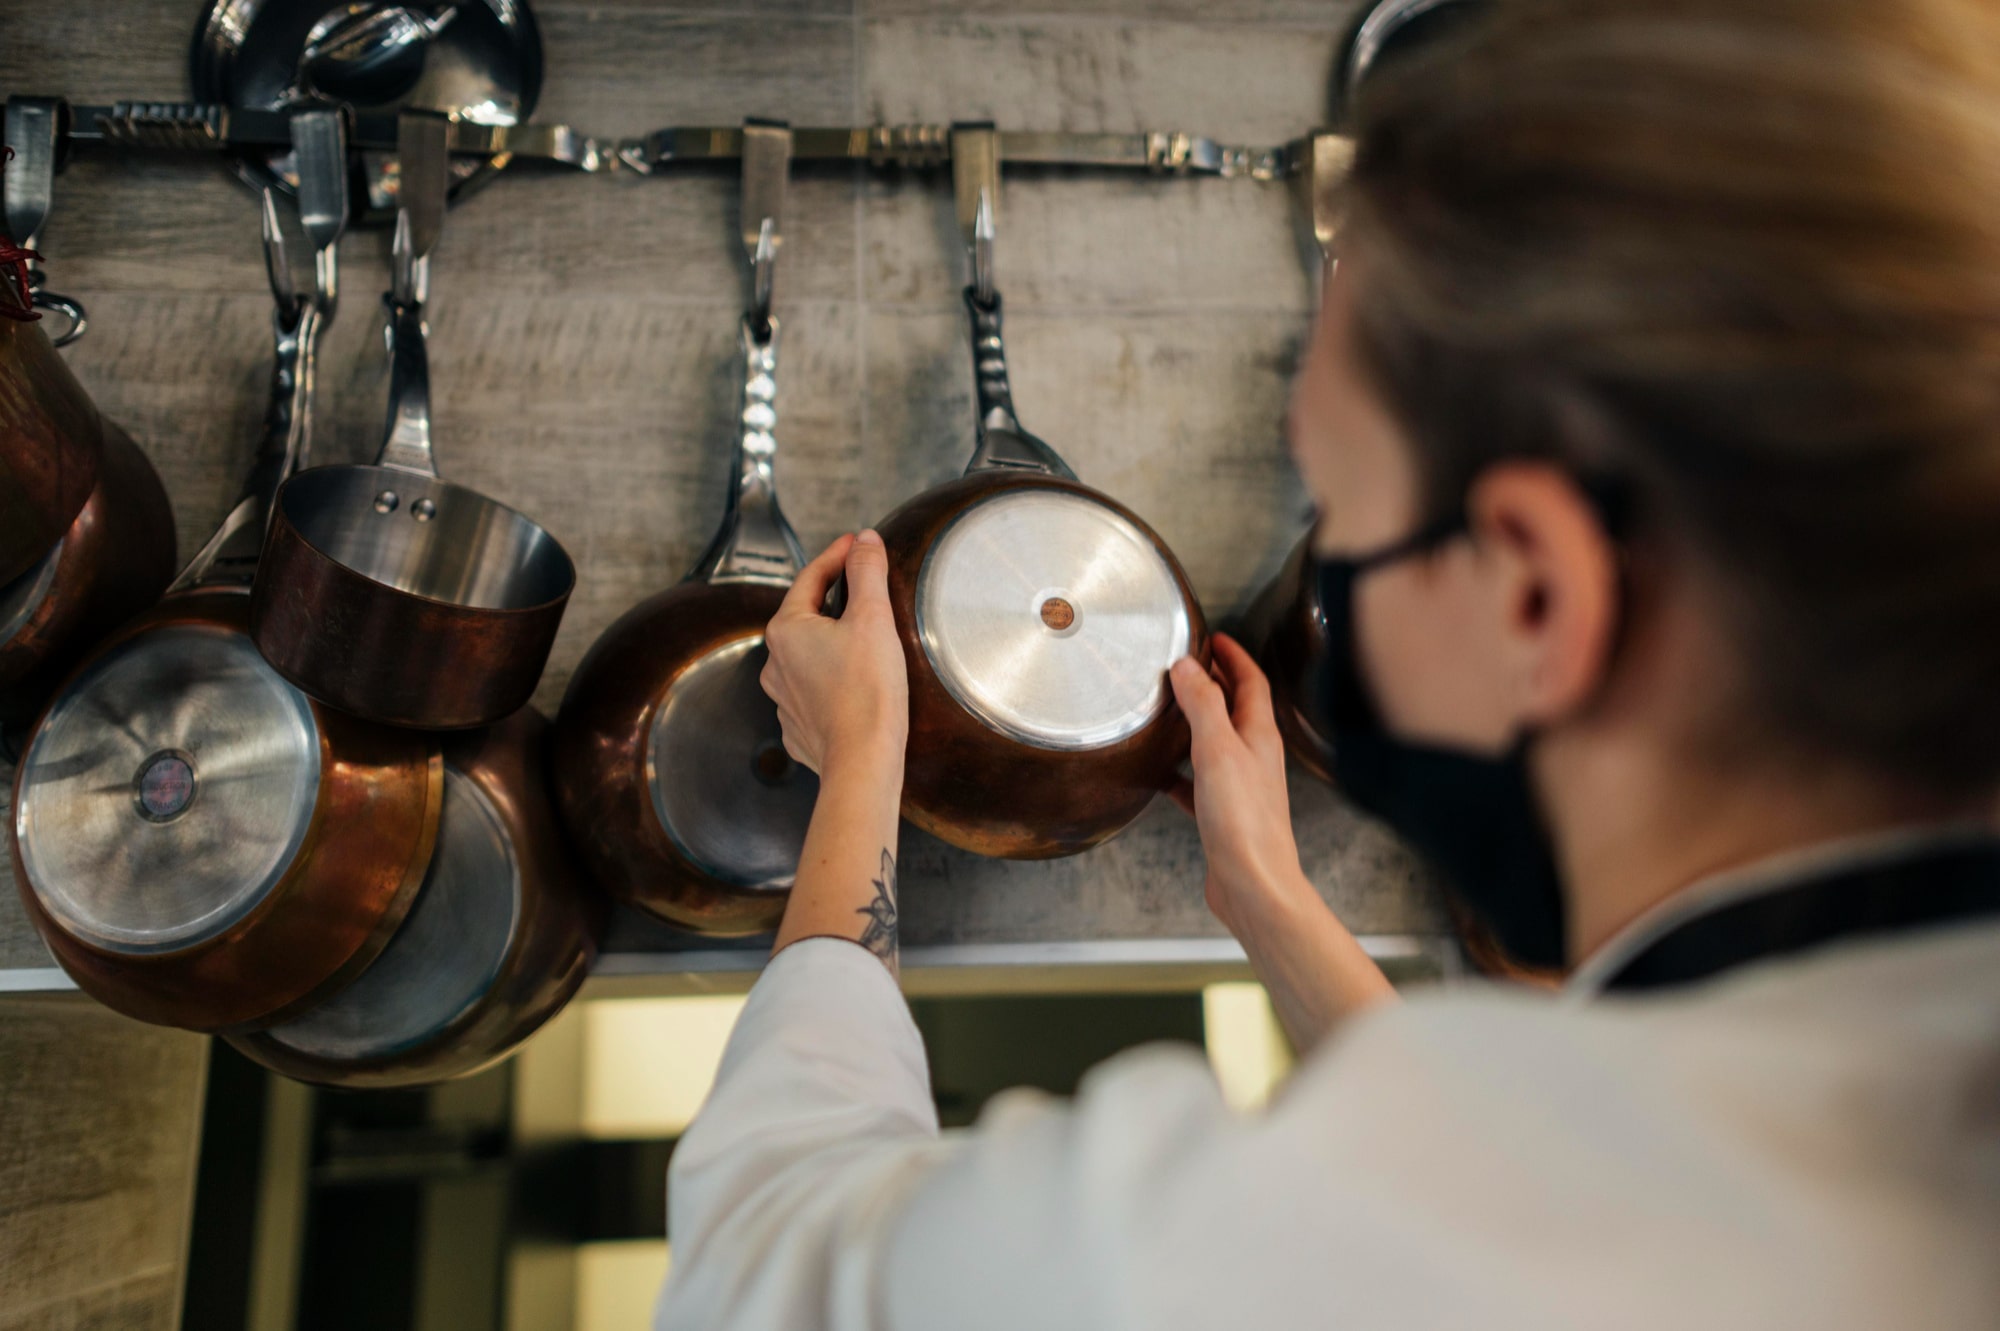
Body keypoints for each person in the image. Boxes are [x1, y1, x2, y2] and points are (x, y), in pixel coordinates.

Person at [656, 0, 2000, 1324]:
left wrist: (858, 776)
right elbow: (1522, 1178)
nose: (1327, 559)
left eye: (1341, 507)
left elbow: (754, 1266)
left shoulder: (1243, 1244)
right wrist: (1272, 904)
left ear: (1533, 593)